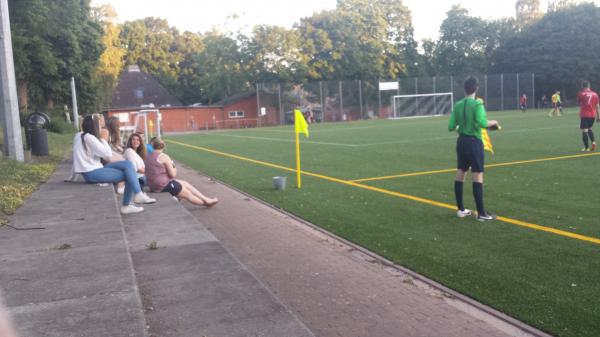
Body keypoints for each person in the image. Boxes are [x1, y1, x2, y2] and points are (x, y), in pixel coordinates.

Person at [72, 114, 156, 214]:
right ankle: (129, 203)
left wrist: (70, 177)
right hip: (92, 173)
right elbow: (107, 154)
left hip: (96, 169)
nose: (101, 127)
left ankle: (137, 195)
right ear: (94, 126)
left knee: (128, 164)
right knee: (128, 174)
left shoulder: (80, 135)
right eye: (99, 125)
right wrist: (104, 139)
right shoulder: (90, 137)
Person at [448, 77, 499, 221]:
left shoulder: (457, 105)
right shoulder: (477, 104)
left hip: (461, 142)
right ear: (476, 89)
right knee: (477, 174)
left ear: (464, 89)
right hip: (474, 142)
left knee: (461, 172)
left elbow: (451, 126)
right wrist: (494, 122)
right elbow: (483, 122)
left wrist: (462, 126)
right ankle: (482, 213)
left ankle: (461, 209)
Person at [145, 138, 218, 206]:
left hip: (153, 185)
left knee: (186, 184)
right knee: (189, 195)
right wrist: (173, 165)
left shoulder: (148, 156)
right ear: (163, 147)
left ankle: (206, 199)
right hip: (162, 185)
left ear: (153, 146)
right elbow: (173, 174)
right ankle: (205, 203)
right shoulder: (164, 156)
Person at [577, 80, 600, 152]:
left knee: (585, 130)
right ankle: (593, 142)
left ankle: (586, 148)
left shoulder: (581, 93)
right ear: (589, 86)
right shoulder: (595, 94)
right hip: (592, 115)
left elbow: (579, 103)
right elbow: (597, 106)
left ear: (582, 86)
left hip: (584, 114)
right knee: (589, 128)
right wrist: (599, 117)